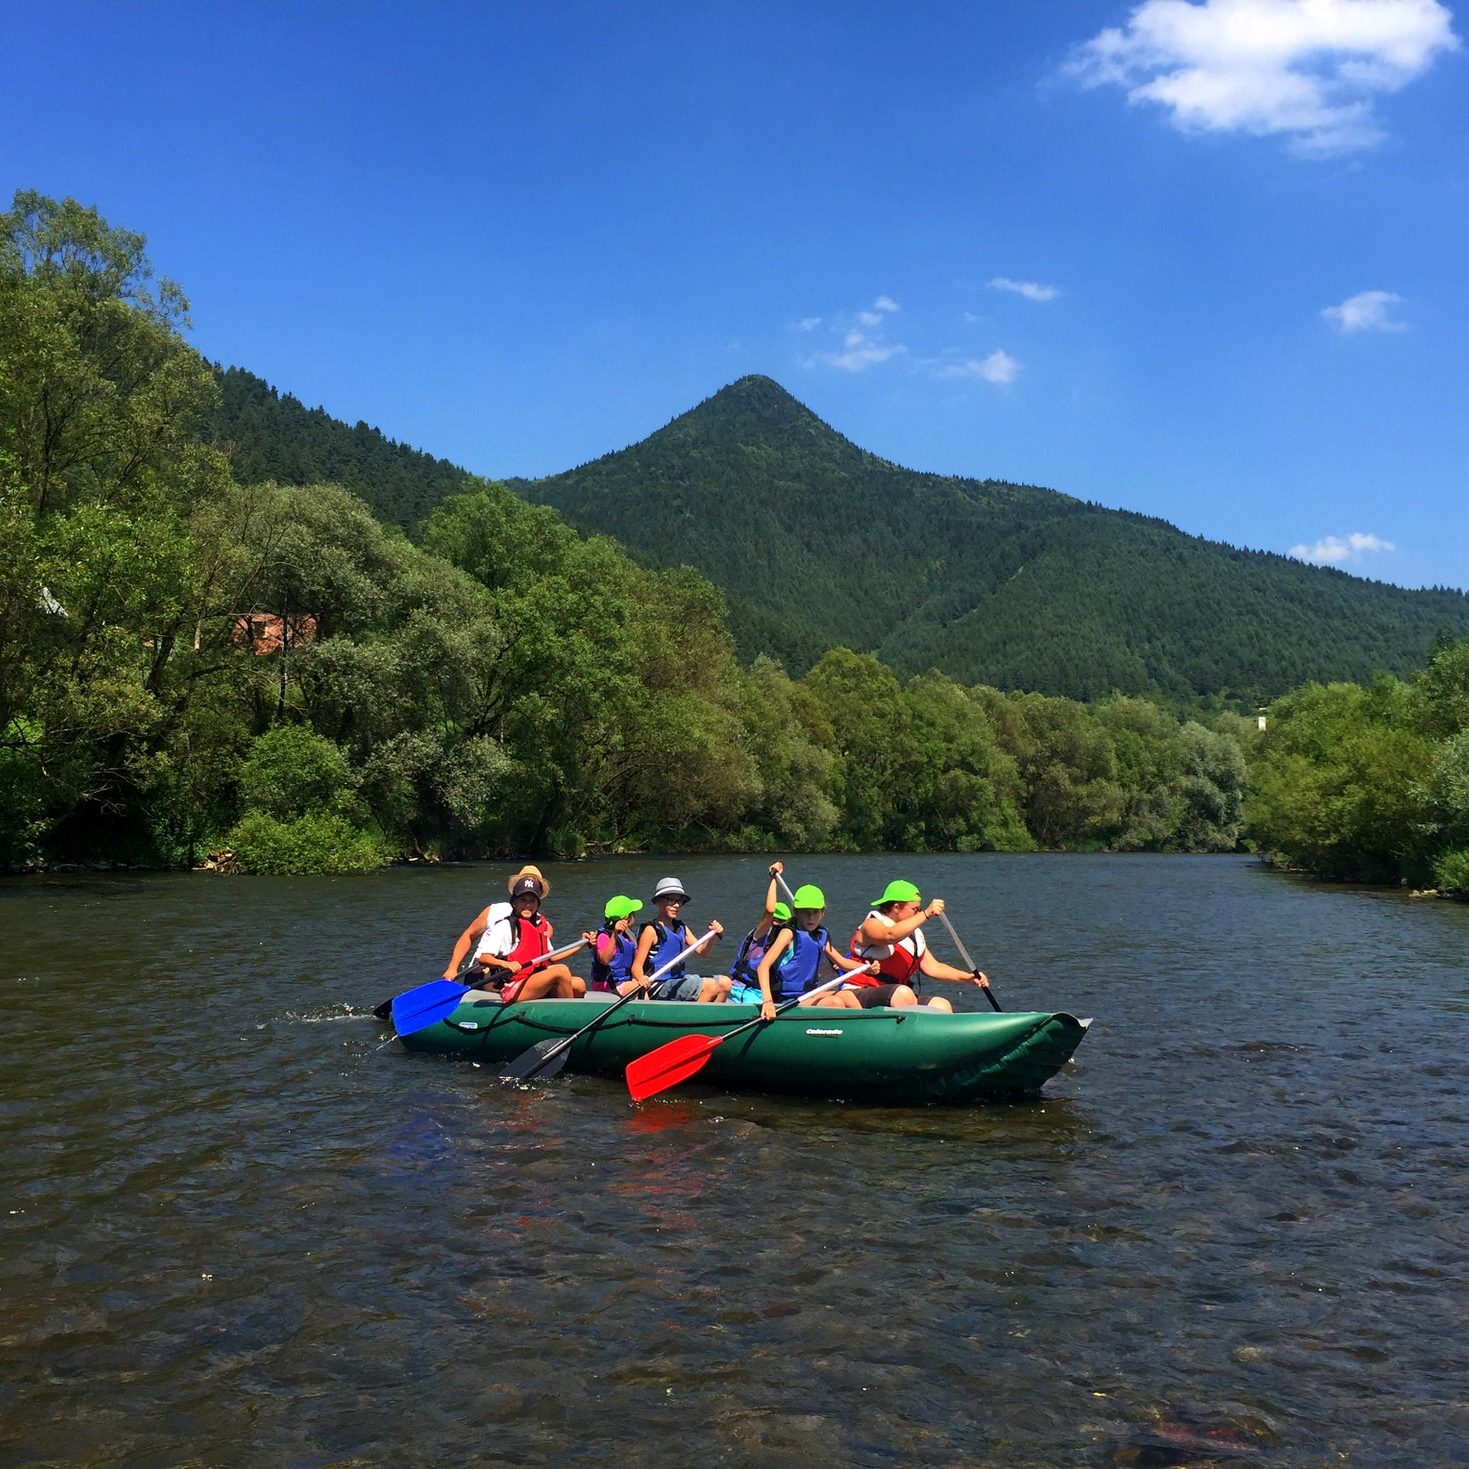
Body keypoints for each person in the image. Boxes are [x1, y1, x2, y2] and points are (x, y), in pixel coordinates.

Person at [837, 879, 991, 1012]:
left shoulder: (911, 935)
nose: (918, 913)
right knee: (903, 994)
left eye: (919, 909)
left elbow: (933, 968)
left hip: (898, 996)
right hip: (861, 992)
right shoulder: (871, 924)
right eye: (915, 909)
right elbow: (889, 935)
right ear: (896, 908)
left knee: (941, 1005)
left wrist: (968, 978)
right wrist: (926, 914)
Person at [443, 864, 587, 1003]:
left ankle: (560, 1017)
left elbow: (551, 956)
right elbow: (474, 944)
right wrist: (452, 968)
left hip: (523, 976)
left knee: (578, 984)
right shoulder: (499, 917)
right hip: (491, 976)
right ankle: (563, 1015)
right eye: (523, 899)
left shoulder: (539, 924)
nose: (527, 904)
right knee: (560, 971)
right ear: (515, 900)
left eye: (532, 899)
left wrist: (582, 943)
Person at [754, 884, 878, 1020]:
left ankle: (864, 1027)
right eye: (806, 912)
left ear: (822, 913)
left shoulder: (820, 935)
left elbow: (842, 962)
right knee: (834, 1002)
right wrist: (768, 1002)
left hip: (807, 994)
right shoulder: (788, 934)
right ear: (796, 912)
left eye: (815, 912)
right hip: (785, 1000)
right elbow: (763, 966)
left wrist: (866, 968)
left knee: (847, 995)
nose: (811, 918)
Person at [632, 876, 728, 1002]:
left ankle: (711, 1018)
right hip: (657, 984)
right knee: (710, 987)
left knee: (725, 983)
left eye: (679, 901)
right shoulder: (651, 930)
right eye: (671, 900)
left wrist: (713, 935)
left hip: (677, 980)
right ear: (658, 902)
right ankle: (693, 1019)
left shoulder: (681, 927)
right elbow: (636, 966)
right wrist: (641, 979)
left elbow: (703, 952)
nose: (676, 905)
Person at [727, 862, 791, 1003]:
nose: (776, 924)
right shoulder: (761, 934)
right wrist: (773, 878)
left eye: (781, 922)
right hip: (741, 991)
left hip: (765, 992)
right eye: (774, 920)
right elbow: (769, 910)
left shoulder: (785, 939)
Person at [589, 894, 647, 997]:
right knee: (639, 988)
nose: (635, 916)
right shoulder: (604, 936)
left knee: (642, 984)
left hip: (624, 981)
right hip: (608, 985)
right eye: (633, 913)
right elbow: (604, 960)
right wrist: (614, 935)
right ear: (627, 917)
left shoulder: (629, 935)